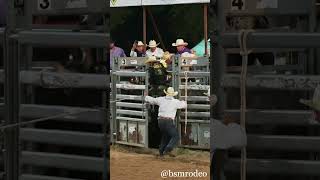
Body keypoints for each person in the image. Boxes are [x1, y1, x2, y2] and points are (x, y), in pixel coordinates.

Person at [145, 87, 187, 157]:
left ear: (166, 93)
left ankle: (161, 151)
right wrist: (184, 101)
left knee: (165, 136)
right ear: (173, 94)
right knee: (175, 136)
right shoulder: (175, 102)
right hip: (168, 121)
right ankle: (168, 149)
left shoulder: (161, 99)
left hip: (160, 121)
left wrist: (146, 97)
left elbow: (152, 100)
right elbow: (184, 105)